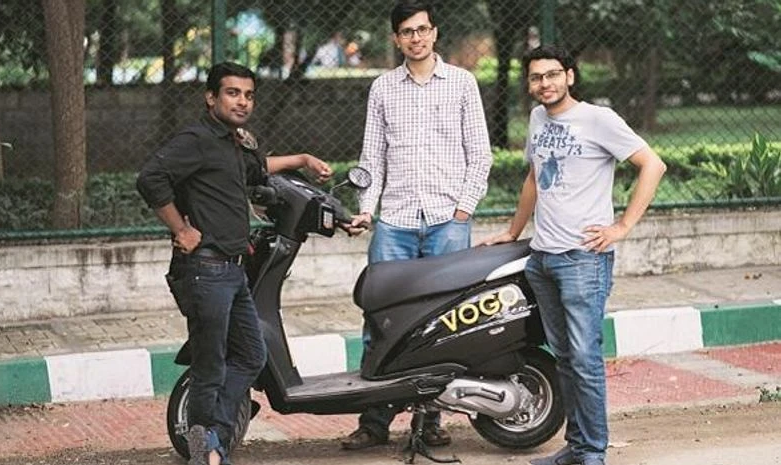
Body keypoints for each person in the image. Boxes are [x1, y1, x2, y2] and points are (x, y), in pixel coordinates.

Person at [136, 62, 332, 465]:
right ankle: (205, 450)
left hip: (232, 269)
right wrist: (180, 229)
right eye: (232, 93)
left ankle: (214, 439)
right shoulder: (196, 139)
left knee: (250, 355)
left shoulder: (230, 142)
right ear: (211, 97)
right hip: (205, 270)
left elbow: (257, 168)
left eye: (248, 95)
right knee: (210, 368)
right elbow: (150, 177)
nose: (242, 101)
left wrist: (304, 159)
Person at [479, 45, 666, 465]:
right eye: (535, 77)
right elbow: (533, 178)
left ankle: (594, 453)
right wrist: (512, 231)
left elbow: (652, 165)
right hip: (543, 258)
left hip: (583, 259)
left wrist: (622, 227)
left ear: (570, 76)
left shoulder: (599, 119)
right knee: (564, 358)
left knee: (583, 358)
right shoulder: (537, 118)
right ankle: (577, 447)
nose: (544, 83)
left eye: (552, 75)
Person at [343, 0, 493, 451]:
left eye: (423, 29)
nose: (416, 38)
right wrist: (368, 208)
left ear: (435, 33)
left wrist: (464, 209)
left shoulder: (462, 84)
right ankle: (374, 421)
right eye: (407, 31)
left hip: (448, 221)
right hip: (395, 222)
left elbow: (480, 153)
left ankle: (430, 421)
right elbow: (373, 159)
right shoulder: (383, 88)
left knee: (441, 324)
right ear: (396, 39)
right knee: (381, 319)